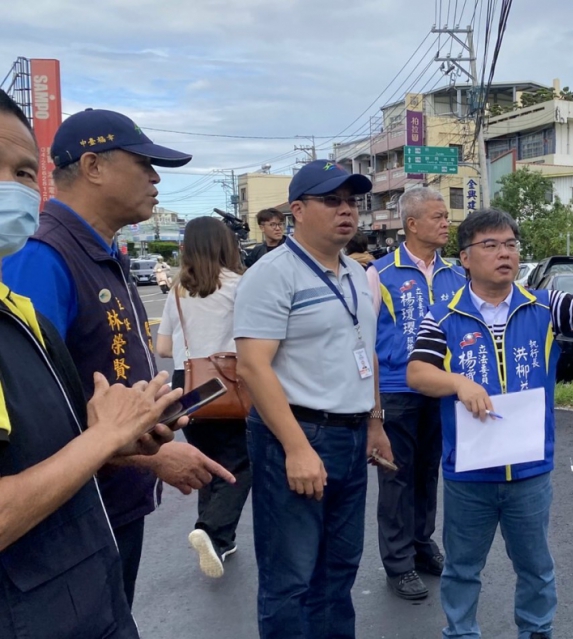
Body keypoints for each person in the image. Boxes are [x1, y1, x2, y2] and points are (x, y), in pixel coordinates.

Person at [2, 107, 235, 607]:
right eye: (144, 163)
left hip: (106, 501)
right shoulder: (42, 255)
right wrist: (148, 456)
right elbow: (32, 417)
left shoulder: (103, 252)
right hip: (64, 521)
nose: (155, 179)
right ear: (93, 167)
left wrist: (149, 434)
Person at [406, 209, 573, 639]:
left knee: (536, 568)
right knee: (462, 569)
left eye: (510, 244)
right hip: (469, 472)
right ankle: (460, 633)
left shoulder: (543, 306)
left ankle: (536, 631)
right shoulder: (443, 316)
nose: (504, 253)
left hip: (529, 470)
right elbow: (418, 373)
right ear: (465, 259)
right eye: (490, 245)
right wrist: (458, 382)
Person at [234, 159, 394, 639]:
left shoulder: (355, 273)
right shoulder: (272, 274)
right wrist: (297, 448)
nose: (347, 211)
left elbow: (364, 353)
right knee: (291, 578)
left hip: (350, 436)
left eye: (352, 202)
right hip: (298, 435)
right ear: (297, 211)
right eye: (332, 201)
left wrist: (374, 423)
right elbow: (252, 367)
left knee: (340, 571)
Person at [366, 186, 466, 599]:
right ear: (412, 224)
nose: (447, 223)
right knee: (396, 480)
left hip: (439, 392)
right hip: (394, 393)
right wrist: (372, 412)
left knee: (428, 474)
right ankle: (398, 562)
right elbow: (365, 343)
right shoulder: (379, 274)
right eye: (438, 216)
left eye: (446, 216)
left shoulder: (456, 274)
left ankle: (423, 545)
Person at [156, 216, 253, 579]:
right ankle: (212, 529)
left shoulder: (178, 288)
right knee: (242, 462)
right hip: (227, 381)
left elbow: (163, 345)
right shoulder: (240, 285)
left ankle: (218, 539)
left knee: (207, 459)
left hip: (188, 385)